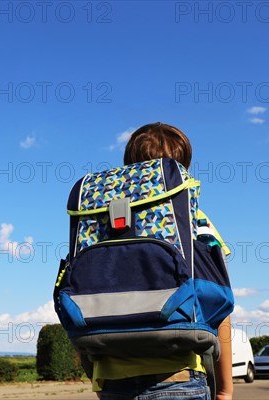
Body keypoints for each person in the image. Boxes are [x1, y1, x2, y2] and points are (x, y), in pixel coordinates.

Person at [92, 122, 233, 400]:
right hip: (178, 373)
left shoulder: (102, 221)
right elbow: (220, 307)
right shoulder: (196, 222)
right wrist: (226, 389)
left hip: (112, 378)